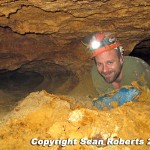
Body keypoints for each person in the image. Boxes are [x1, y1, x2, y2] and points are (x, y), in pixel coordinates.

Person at [83, 32, 150, 110]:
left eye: (109, 62)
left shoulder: (136, 67)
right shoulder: (96, 74)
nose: (105, 70)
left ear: (121, 59)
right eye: (99, 64)